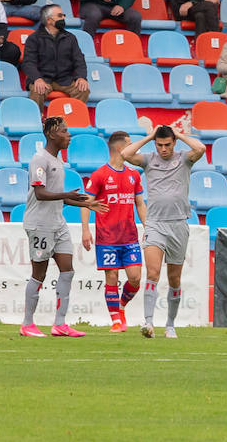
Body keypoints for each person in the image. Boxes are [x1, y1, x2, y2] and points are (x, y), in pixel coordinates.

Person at [19, 117, 108, 338]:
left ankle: (60, 324)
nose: (69, 135)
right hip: (40, 225)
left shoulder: (58, 161)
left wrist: (87, 203)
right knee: (38, 274)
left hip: (58, 224)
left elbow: (59, 199)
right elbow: (40, 194)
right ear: (51, 134)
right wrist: (67, 194)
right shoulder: (40, 160)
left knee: (67, 271)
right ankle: (27, 324)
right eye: (64, 132)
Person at [121, 123, 205, 339]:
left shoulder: (184, 158)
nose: (163, 149)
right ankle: (148, 323)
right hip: (155, 223)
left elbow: (201, 149)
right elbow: (125, 153)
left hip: (178, 224)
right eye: (159, 145)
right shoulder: (149, 159)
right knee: (153, 272)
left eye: (167, 145)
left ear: (174, 143)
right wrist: (150, 136)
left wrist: (178, 134)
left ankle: (170, 324)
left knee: (174, 278)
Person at [82, 132, 147, 332]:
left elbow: (139, 204)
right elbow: (86, 203)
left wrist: (148, 226)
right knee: (111, 277)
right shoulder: (100, 175)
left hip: (129, 237)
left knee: (135, 277)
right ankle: (116, 320)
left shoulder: (134, 175)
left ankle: (121, 306)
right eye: (130, 145)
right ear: (120, 149)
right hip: (107, 237)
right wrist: (85, 230)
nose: (134, 148)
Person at [22, 4, 89, 108]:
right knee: (37, 90)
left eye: (63, 15)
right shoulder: (33, 38)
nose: (63, 18)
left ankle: (70, 120)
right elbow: (28, 63)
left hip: (65, 79)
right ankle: (39, 121)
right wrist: (37, 78)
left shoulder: (70, 38)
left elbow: (79, 60)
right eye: (60, 15)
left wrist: (81, 77)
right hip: (43, 79)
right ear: (49, 20)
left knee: (83, 90)